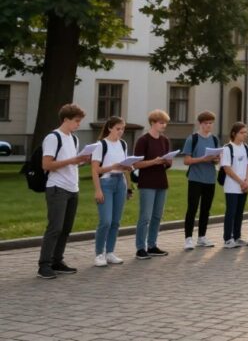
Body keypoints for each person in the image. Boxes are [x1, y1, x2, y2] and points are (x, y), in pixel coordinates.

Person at [37, 104, 92, 279]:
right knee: (55, 227)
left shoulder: (73, 139)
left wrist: (82, 161)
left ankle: (57, 260)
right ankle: (44, 265)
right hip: (57, 188)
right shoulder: (53, 138)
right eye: (76, 121)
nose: (78, 125)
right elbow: (46, 165)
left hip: (72, 188)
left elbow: (71, 161)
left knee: (66, 228)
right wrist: (73, 160)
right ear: (66, 119)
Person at [90, 116, 136, 267]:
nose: (121, 132)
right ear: (110, 128)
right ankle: (99, 254)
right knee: (106, 221)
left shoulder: (123, 144)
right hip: (106, 183)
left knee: (116, 221)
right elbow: (96, 170)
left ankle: (110, 252)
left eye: (123, 129)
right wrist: (98, 190)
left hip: (120, 183)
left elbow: (124, 168)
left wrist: (129, 184)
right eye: (118, 129)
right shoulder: (100, 145)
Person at [134, 109, 173, 259]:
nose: (164, 125)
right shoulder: (143, 140)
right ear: (152, 123)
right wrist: (154, 161)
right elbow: (136, 164)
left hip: (161, 182)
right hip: (147, 183)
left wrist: (167, 162)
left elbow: (166, 163)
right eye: (161, 123)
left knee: (157, 216)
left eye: (165, 123)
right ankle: (140, 248)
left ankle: (152, 245)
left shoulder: (165, 140)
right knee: (145, 217)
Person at [182, 110, 221, 250]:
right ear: (200, 124)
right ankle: (188, 238)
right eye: (206, 123)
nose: (208, 126)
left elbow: (217, 160)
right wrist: (202, 159)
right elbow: (186, 160)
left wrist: (216, 159)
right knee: (192, 208)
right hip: (195, 178)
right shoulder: (192, 139)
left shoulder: (215, 139)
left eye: (211, 123)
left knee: (206, 209)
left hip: (210, 179)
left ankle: (202, 237)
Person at [221, 122, 248, 249]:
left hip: (244, 186)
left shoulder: (246, 148)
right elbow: (227, 169)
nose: (245, 135)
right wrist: (241, 182)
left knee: (240, 212)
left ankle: (237, 237)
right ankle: (228, 239)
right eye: (242, 132)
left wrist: (247, 182)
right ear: (234, 133)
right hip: (232, 186)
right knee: (231, 212)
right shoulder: (227, 148)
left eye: (246, 132)